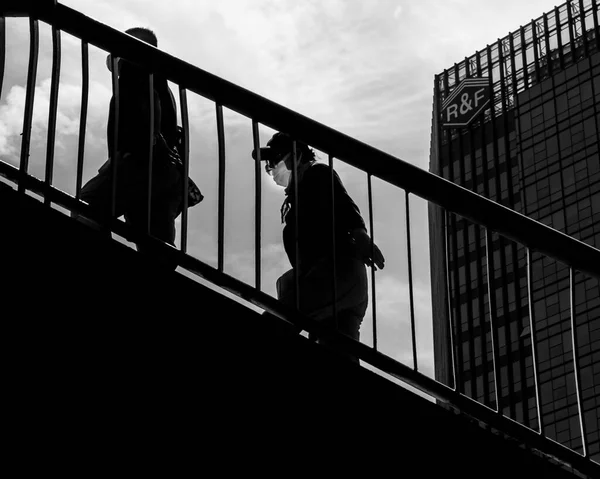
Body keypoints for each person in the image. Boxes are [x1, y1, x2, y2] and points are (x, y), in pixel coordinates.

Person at [253, 132, 385, 362]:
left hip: (337, 272)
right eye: (268, 165)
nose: (272, 169)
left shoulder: (317, 172)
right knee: (338, 354)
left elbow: (343, 204)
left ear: (296, 156)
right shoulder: (297, 196)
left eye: (275, 160)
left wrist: (361, 235)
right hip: (340, 280)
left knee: (280, 318)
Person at [77, 27, 184, 269]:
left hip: (139, 162)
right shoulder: (160, 79)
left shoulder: (137, 69)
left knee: (88, 205)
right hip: (165, 170)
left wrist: (135, 150)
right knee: (155, 240)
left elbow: (150, 111)